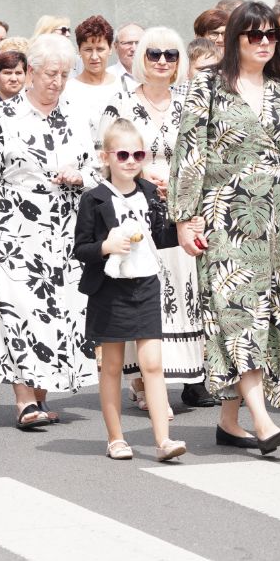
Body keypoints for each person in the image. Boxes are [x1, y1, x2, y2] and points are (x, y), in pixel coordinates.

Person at [169, 1, 280, 454]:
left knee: (260, 318)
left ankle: (230, 422)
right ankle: (263, 421)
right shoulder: (207, 86)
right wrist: (184, 219)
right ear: (235, 40)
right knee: (239, 315)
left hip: (272, 224)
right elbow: (189, 154)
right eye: (255, 35)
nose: (266, 42)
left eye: (271, 35)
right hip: (223, 218)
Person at [0, 33, 96, 428]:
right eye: (49, 74)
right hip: (15, 232)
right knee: (20, 312)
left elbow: (99, 168)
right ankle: (24, 401)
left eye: (63, 74)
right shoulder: (3, 116)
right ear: (29, 73)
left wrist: (82, 176)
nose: (56, 82)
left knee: (58, 313)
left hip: (66, 231)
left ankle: (41, 397)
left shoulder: (77, 115)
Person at [100, 27, 211, 409]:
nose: (163, 61)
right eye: (154, 54)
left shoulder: (191, 103)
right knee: (144, 286)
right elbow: (107, 153)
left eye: (171, 55)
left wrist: (182, 184)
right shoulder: (121, 103)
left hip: (184, 204)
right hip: (135, 203)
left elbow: (203, 153)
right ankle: (147, 380)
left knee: (182, 286)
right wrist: (144, 174)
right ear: (140, 59)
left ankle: (186, 375)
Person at [75, 118, 187, 461]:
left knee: (152, 364)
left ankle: (163, 440)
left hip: (146, 285)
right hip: (109, 289)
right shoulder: (94, 199)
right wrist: (106, 247)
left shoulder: (151, 193)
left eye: (138, 154)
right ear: (105, 157)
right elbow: (81, 249)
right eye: (122, 154)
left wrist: (186, 226)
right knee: (110, 366)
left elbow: (162, 237)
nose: (130, 161)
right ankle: (115, 438)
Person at [65, 15, 121, 145]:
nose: (94, 56)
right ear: (79, 50)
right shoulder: (68, 89)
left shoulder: (122, 87)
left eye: (100, 49)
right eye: (88, 49)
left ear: (110, 49)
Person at [110, 22, 146, 92]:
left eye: (139, 43)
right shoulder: (105, 78)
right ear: (116, 47)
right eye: (128, 43)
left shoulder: (157, 75)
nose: (134, 49)